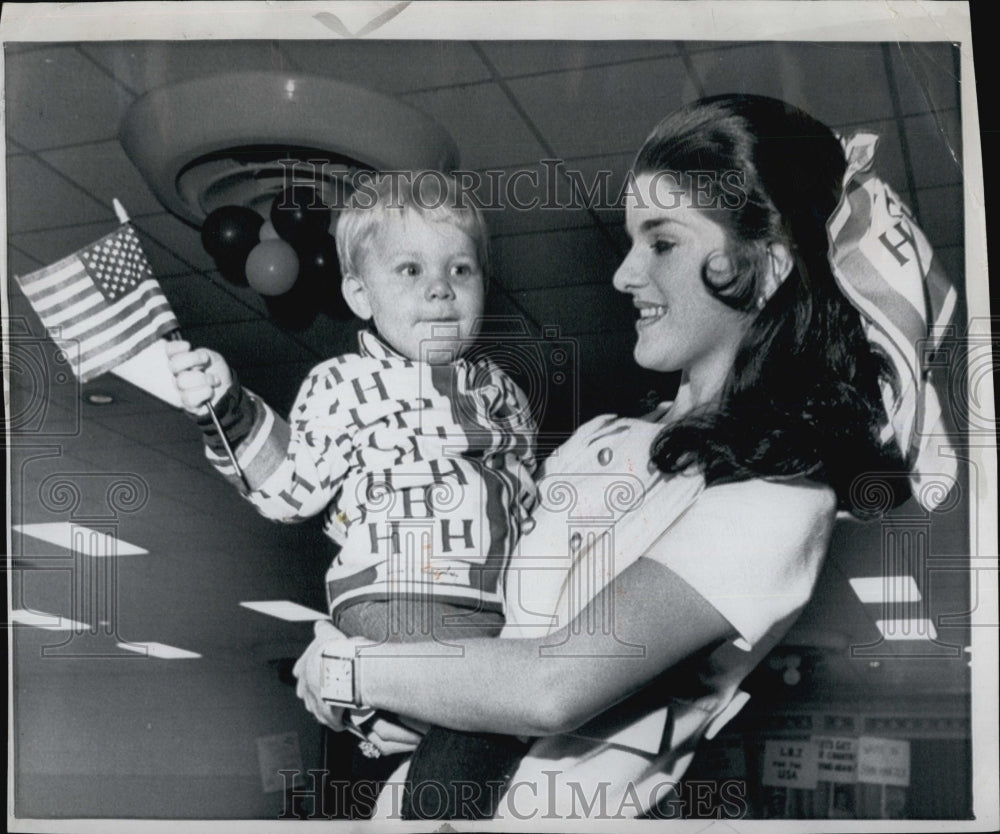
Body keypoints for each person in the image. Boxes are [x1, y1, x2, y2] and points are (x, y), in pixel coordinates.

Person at [292, 94, 955, 821]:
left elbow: (551, 688)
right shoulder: (599, 439)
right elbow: (478, 630)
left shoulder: (779, 497)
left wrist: (352, 669)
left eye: (661, 243)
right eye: (632, 240)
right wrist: (379, 691)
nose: (623, 274)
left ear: (764, 265)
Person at [166, 173, 538, 812]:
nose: (440, 288)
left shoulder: (502, 391)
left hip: (493, 608)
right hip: (399, 595)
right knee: (489, 721)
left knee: (506, 742)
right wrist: (225, 409)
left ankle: (416, 799)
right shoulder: (345, 381)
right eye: (410, 270)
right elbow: (288, 488)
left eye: (461, 268)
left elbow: (526, 499)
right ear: (360, 295)